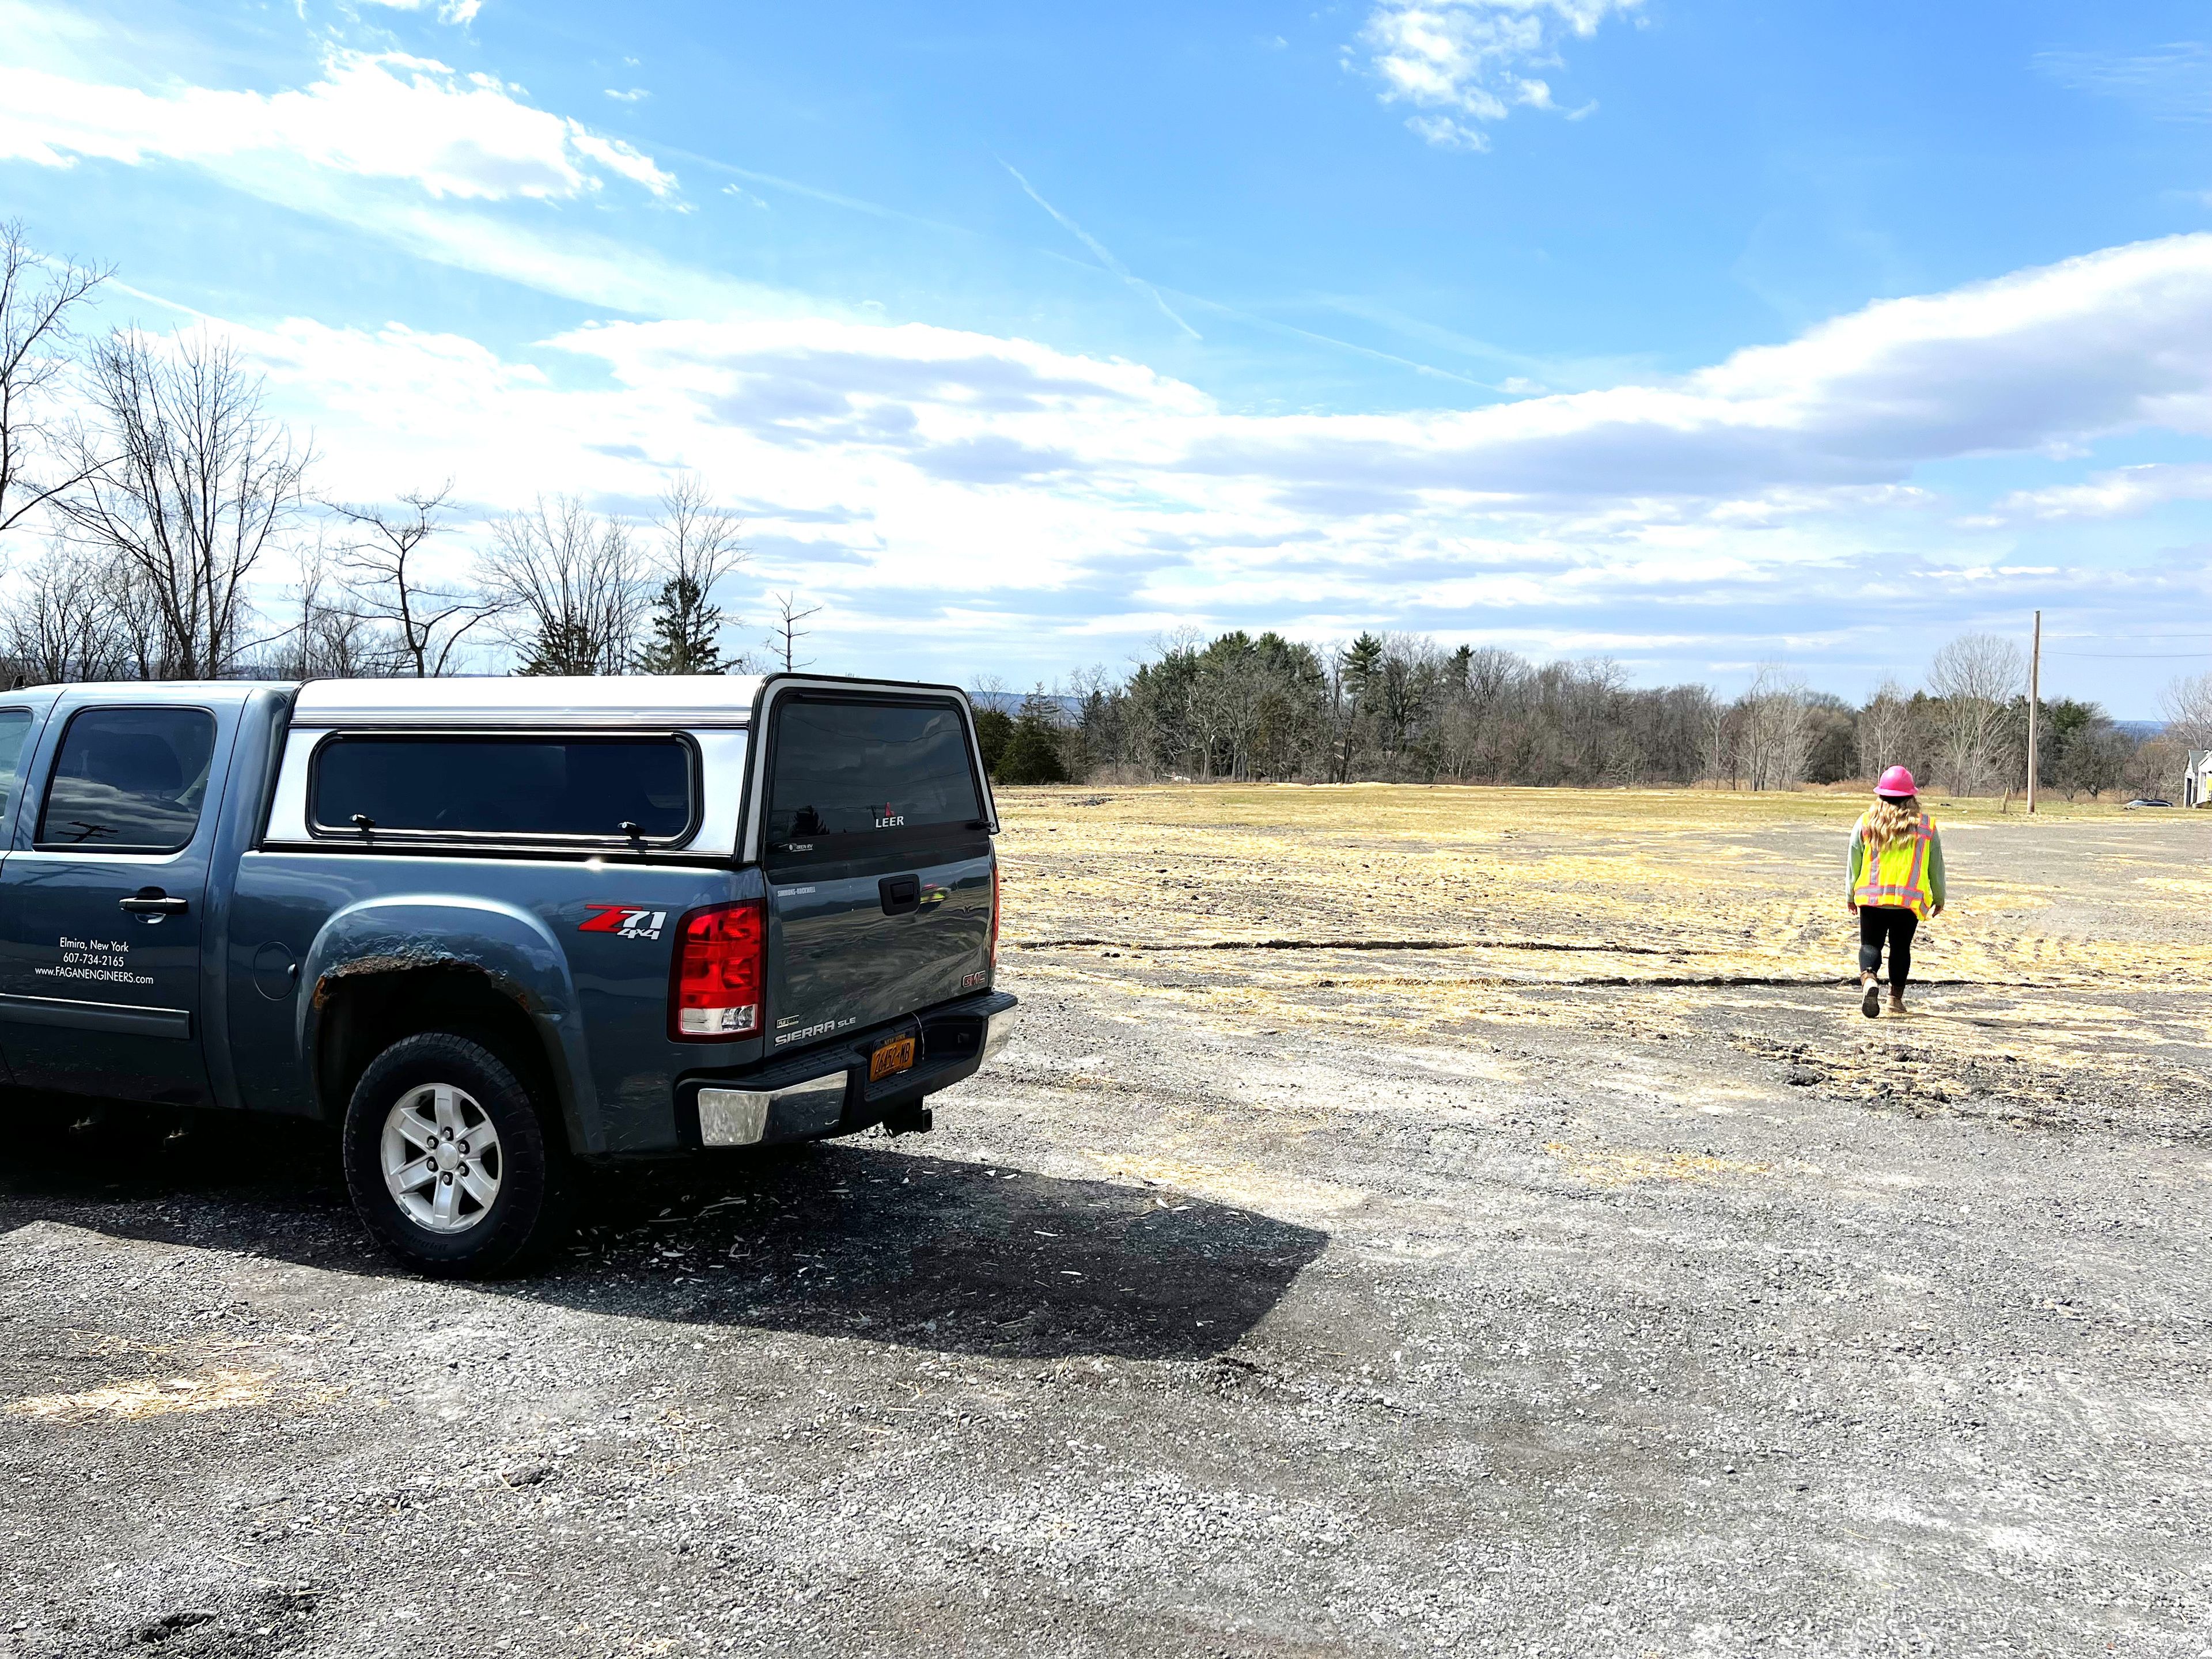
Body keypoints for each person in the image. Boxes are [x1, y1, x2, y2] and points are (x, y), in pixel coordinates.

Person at [1846, 765, 1945, 1018]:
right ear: (1912, 796)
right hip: (1908, 901)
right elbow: (1936, 865)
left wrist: (1850, 893)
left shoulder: (1866, 822)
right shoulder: (1926, 826)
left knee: (1870, 944)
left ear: (1881, 794)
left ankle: (1869, 980)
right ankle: (1895, 1000)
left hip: (1872, 898)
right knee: (1901, 949)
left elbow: (1853, 859)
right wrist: (1939, 897)